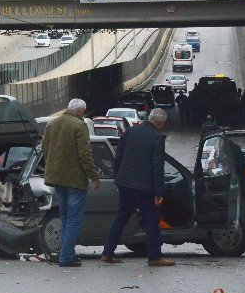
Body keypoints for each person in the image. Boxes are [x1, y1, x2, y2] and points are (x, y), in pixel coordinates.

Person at [102, 108, 175, 267]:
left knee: (120, 218)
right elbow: (157, 167)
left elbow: (118, 157)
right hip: (144, 188)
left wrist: (118, 180)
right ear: (161, 123)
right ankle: (154, 257)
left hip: (125, 184)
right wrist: (159, 192)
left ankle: (107, 253)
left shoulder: (130, 132)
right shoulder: (157, 138)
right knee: (151, 221)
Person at [41, 99, 100, 267]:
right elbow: (85, 155)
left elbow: (46, 149)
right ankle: (66, 257)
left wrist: (52, 169)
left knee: (65, 218)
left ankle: (68, 254)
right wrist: (94, 176)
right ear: (81, 111)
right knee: (74, 220)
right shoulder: (79, 126)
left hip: (57, 179)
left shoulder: (52, 124)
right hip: (74, 180)